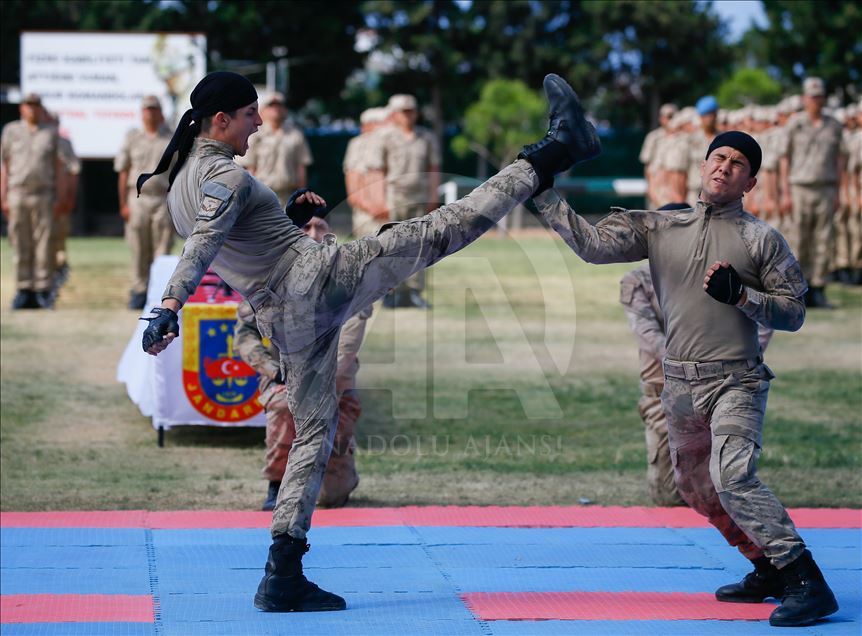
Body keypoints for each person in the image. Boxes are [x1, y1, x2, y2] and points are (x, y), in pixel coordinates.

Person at [137, 71, 600, 612]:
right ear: (220, 120)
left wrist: (285, 221)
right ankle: (556, 150)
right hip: (316, 282)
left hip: (285, 316)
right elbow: (205, 242)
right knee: (441, 229)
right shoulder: (225, 176)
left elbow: (233, 241)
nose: (259, 122)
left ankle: (283, 573)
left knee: (313, 433)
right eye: (249, 113)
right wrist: (169, 307)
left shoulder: (180, 186)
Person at [534, 129, 838, 627]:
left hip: (735, 381)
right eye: (719, 157)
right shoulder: (660, 227)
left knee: (733, 477)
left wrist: (743, 296)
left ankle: (807, 581)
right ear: (702, 166)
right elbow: (591, 245)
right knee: (694, 486)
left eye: (738, 163)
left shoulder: (761, 239)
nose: (725, 166)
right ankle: (765, 565)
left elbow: (794, 313)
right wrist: (543, 191)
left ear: (750, 182)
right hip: (678, 385)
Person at [620, 202, 775, 507]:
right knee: (671, 496)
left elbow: (763, 316)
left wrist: (738, 356)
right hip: (665, 392)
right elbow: (647, 333)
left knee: (729, 485)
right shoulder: (637, 281)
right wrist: (693, 361)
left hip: (726, 384)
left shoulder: (721, 272)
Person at [235, 212, 369, 511]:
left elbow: (348, 343)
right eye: (304, 226)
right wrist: (272, 370)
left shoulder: (348, 279)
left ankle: (342, 477)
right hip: (284, 379)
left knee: (331, 498)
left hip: (335, 385)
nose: (312, 233)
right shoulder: (268, 277)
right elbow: (245, 336)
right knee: (285, 404)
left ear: (331, 233)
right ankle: (277, 483)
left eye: (320, 226)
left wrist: (316, 378)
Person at [369, 94, 440, 308]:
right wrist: (379, 199)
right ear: (395, 114)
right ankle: (392, 291)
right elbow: (378, 171)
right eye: (404, 111)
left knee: (420, 244)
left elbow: (434, 168)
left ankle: (415, 291)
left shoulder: (426, 137)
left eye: (412, 111)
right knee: (392, 245)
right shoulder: (385, 137)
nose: (408, 115)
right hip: (394, 196)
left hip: (419, 197)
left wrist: (433, 196)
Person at [778, 77, 844, 309]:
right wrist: (785, 192)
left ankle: (819, 288)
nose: (816, 100)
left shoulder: (834, 125)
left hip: (826, 187)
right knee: (799, 239)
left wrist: (839, 191)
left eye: (820, 96)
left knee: (824, 240)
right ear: (804, 98)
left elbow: (839, 160)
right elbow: (784, 159)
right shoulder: (795, 124)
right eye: (812, 96)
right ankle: (799, 290)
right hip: (800, 187)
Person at [1, 93, 64, 310]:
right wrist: (3, 195)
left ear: (40, 108)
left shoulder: (50, 133)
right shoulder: (11, 131)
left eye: (36, 105)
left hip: (44, 194)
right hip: (17, 193)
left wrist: (59, 195)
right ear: (22, 108)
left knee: (44, 243)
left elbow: (58, 167)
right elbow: (5, 165)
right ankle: (23, 288)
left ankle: (42, 289)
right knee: (20, 242)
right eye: (28, 105)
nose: (32, 109)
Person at [114, 95, 175, 310]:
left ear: (161, 112)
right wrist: (123, 203)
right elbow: (123, 171)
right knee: (138, 246)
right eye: (147, 109)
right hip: (137, 197)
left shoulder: (171, 138)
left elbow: (180, 171)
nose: (150, 113)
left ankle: (159, 292)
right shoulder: (133, 138)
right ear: (142, 113)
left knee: (162, 248)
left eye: (154, 109)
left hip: (163, 197)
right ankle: (139, 290)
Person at [239, 91, 312, 207]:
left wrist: (302, 195)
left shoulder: (295, 134)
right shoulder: (254, 134)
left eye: (279, 105)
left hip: (287, 195)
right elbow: (249, 169)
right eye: (271, 105)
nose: (276, 109)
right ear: (262, 110)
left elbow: (301, 168)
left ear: (285, 109)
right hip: (261, 195)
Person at [343, 107, 391, 237]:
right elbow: (353, 187)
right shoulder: (358, 144)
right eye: (383, 122)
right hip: (370, 216)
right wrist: (374, 208)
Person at [49, 111, 81, 293]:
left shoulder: (64, 144)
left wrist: (69, 197)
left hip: (58, 200)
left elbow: (73, 171)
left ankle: (59, 269)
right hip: (42, 197)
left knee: (58, 239)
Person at [639, 103, 677, 209]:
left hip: (674, 190)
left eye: (674, 117)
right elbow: (647, 166)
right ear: (661, 119)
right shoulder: (653, 137)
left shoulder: (682, 138)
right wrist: (650, 189)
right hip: (657, 189)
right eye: (669, 117)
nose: (672, 120)